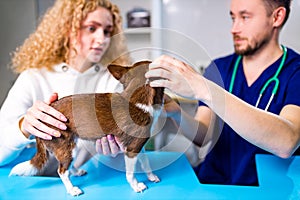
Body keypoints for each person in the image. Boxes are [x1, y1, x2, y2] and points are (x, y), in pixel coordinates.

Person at [145, 0, 300, 186]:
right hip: (214, 183)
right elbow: (203, 136)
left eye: (245, 17)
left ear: (277, 17)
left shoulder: (295, 72)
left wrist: (204, 88)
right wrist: (176, 113)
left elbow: (287, 142)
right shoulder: (220, 68)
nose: (234, 29)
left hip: (268, 189)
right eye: (233, 17)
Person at [0, 0, 129, 169]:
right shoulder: (33, 78)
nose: (102, 39)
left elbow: (124, 143)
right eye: (92, 28)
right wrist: (24, 126)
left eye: (107, 31)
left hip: (92, 185)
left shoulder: (111, 81)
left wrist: (117, 151)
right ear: (69, 28)